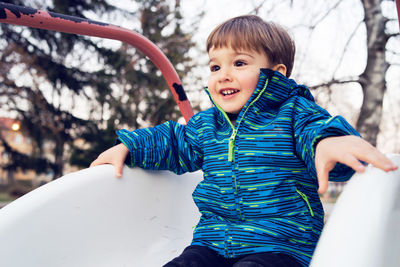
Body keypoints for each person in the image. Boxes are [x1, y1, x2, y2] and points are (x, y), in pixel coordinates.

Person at [90, 15, 397, 267]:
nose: (224, 74)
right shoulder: (205, 126)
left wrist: (328, 144)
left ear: (275, 74)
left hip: (282, 246)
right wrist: (130, 146)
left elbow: (315, 132)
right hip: (213, 241)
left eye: (238, 63)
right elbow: (173, 141)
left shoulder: (293, 113)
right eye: (215, 66)